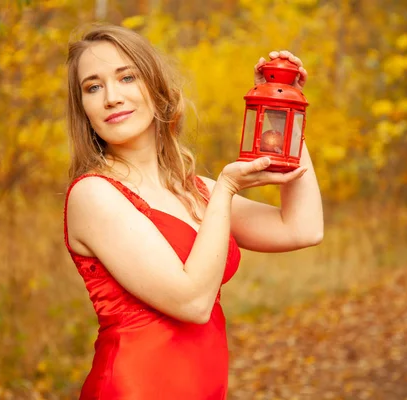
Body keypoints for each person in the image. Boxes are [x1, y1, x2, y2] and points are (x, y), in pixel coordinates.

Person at [63, 24, 323, 400]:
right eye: (93, 87)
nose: (112, 97)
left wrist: (285, 107)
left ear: (155, 87)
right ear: (84, 109)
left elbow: (302, 228)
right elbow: (192, 302)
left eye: (127, 77)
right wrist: (228, 189)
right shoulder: (93, 195)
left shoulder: (196, 190)